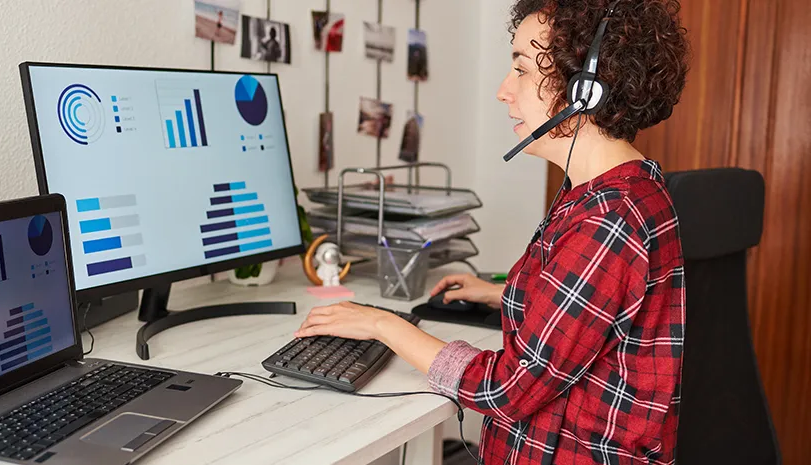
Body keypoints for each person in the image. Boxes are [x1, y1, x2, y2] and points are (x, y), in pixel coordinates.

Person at [295, 0, 690, 463]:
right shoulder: (618, 188)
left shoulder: (608, 219)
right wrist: (500, 293)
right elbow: (587, 315)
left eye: (521, 68)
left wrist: (383, 324)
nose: (504, 90)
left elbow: (511, 387)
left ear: (586, 90)